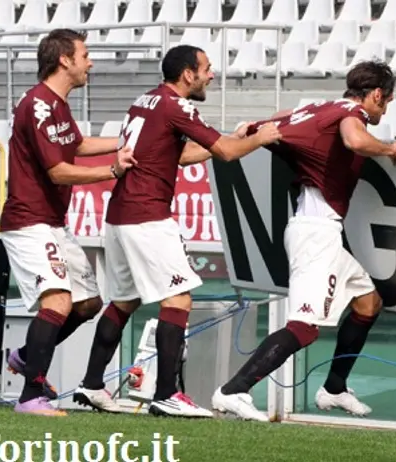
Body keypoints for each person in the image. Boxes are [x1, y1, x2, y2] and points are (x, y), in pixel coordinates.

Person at [72, 44, 282, 418]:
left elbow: (179, 154)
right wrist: (259, 139)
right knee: (179, 299)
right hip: (147, 216)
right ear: (188, 74)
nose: (211, 74)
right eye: (206, 68)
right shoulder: (178, 105)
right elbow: (228, 154)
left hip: (120, 214)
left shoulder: (145, 101)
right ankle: (167, 393)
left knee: (123, 301)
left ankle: (90, 385)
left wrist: (233, 137)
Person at [209, 60, 396, 421]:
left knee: (368, 301)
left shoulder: (315, 108)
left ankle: (334, 388)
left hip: (321, 231)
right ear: (377, 94)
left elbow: (256, 125)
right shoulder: (352, 112)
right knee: (303, 329)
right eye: (387, 102)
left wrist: (248, 130)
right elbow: (354, 139)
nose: (384, 110)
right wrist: (391, 149)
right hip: (315, 235)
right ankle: (233, 390)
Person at [1, 29, 136, 417]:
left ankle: (27, 356)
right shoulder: (39, 105)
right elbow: (59, 171)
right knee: (58, 300)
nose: (90, 62)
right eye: (85, 54)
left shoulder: (56, 104)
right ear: (65, 59)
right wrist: (114, 169)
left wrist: (123, 142)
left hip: (52, 222)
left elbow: (74, 145)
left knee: (88, 303)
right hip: (29, 221)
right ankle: (30, 396)